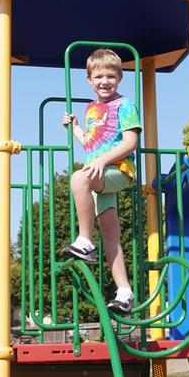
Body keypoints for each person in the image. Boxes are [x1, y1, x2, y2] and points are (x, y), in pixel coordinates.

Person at [59, 48, 140, 313]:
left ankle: (84, 239)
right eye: (99, 76)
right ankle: (125, 292)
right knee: (111, 235)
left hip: (118, 170)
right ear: (89, 80)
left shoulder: (125, 105)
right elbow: (91, 146)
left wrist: (103, 161)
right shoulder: (91, 109)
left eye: (110, 76)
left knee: (77, 178)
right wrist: (75, 128)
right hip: (99, 174)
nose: (104, 81)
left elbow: (130, 142)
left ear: (120, 78)